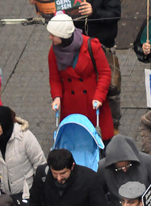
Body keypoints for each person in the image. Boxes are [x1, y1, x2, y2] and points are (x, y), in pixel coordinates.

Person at [47, 10, 114, 141]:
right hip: (71, 106)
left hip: (92, 103)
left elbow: (105, 73)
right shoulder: (53, 51)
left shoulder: (91, 46)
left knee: (100, 142)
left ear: (63, 36)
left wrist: (99, 97)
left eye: (53, 35)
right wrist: (57, 97)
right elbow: (54, 78)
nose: (50, 37)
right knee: (75, 143)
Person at [0, 106, 46, 200]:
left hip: (25, 193)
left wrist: (37, 192)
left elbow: (40, 164)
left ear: (6, 123)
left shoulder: (24, 137)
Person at [99, 134, 151, 206]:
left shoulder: (146, 161)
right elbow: (99, 196)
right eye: (119, 168)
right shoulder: (103, 168)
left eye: (127, 165)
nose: (124, 170)